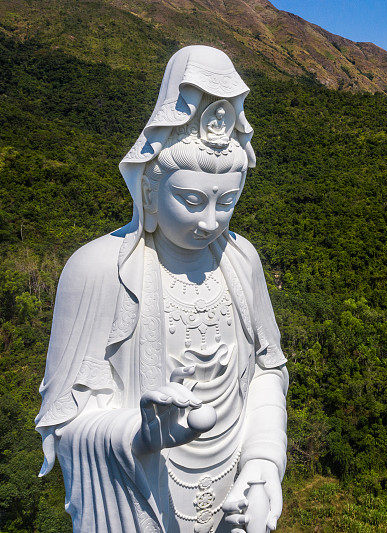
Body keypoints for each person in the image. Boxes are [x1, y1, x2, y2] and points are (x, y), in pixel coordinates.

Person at [34, 46, 287, 533]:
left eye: (227, 201)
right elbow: (66, 424)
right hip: (140, 503)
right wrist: (139, 433)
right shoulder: (98, 270)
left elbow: (266, 368)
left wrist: (261, 461)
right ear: (151, 187)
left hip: (233, 497)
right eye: (191, 200)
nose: (210, 221)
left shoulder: (241, 259)